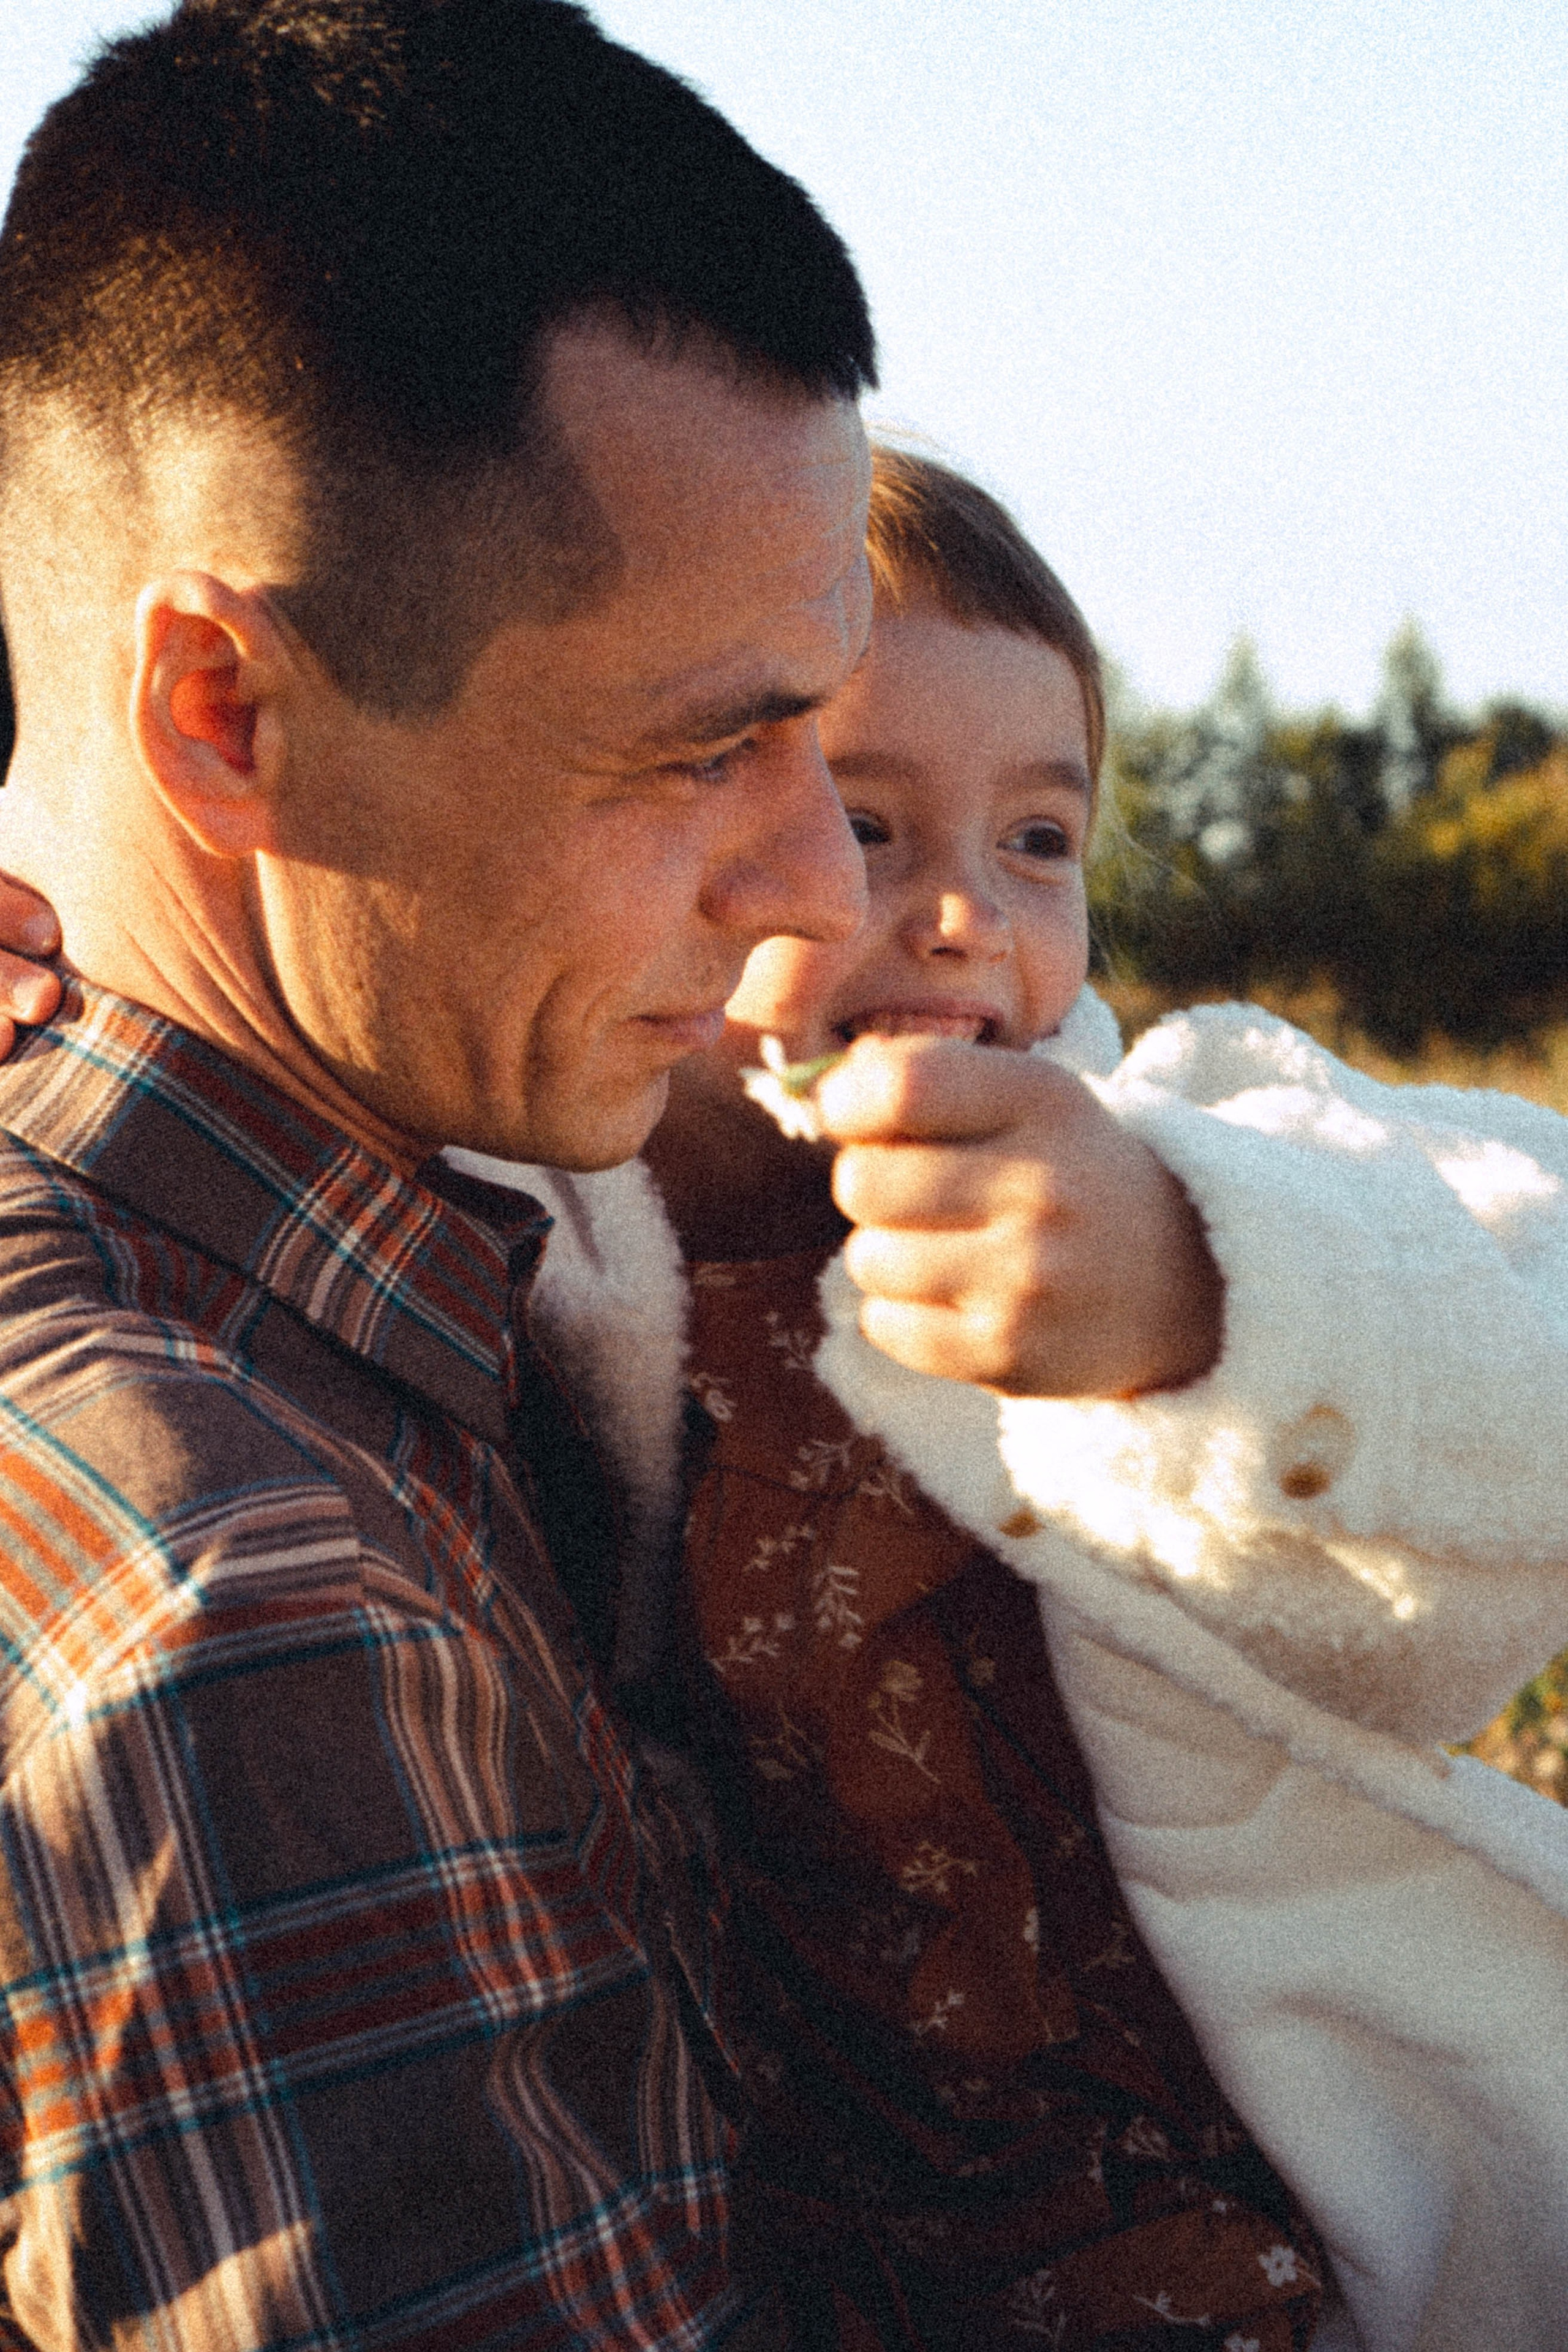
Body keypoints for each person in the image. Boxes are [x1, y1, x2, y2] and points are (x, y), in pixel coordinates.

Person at [424, 450, 1568, 2351]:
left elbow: (1522, 1274)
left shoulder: (1161, 1146)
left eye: (1041, 838)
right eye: (868, 824)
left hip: (1206, 2157)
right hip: (790, 2204)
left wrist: (1199, 1283)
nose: (967, 914)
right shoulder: (533, 1212)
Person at [0, 1, 883, 2343]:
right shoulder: (248, 1614)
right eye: (707, 750)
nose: (830, 889)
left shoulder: (376, 1285)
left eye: (830, 736)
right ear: (226, 714)